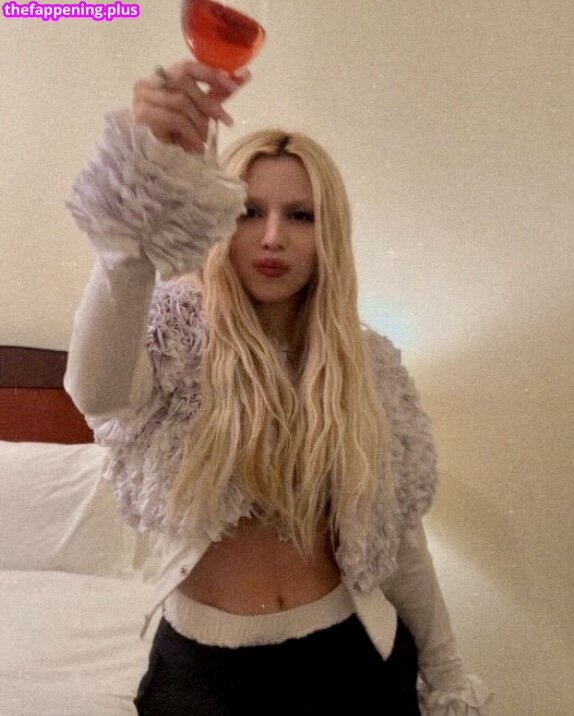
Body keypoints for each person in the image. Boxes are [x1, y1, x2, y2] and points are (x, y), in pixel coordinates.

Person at [64, 60, 493, 715]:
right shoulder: (175, 333)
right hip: (206, 676)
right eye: (248, 211)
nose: (272, 237)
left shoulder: (367, 365)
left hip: (354, 662)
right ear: (219, 219)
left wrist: (448, 675)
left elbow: (400, 541)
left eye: (299, 215)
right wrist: (135, 210)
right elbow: (96, 391)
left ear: (329, 234)